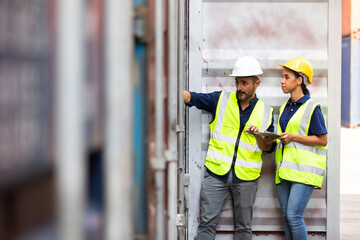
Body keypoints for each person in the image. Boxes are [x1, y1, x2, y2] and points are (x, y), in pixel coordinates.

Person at [184, 56, 275, 240]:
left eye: (244, 83)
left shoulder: (266, 112)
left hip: (246, 179)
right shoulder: (220, 100)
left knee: (243, 229)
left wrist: (259, 136)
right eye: (237, 82)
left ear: (257, 83)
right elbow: (192, 97)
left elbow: (268, 148)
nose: (239, 87)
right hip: (216, 175)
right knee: (207, 224)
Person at [275, 56, 328, 240]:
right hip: (284, 171)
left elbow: (323, 140)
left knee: (293, 216)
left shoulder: (312, 107)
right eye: (282, 76)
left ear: (299, 80)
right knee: (287, 218)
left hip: (304, 172)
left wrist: (293, 137)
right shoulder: (284, 107)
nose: (282, 81)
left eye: (287, 77)